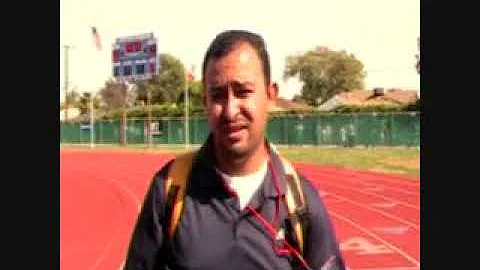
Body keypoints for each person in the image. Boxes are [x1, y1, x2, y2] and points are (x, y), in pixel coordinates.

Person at [123, 29, 346, 270]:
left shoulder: (300, 202)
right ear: (205, 102)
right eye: (218, 95)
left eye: (243, 92)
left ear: (271, 95)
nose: (230, 111)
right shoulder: (169, 190)